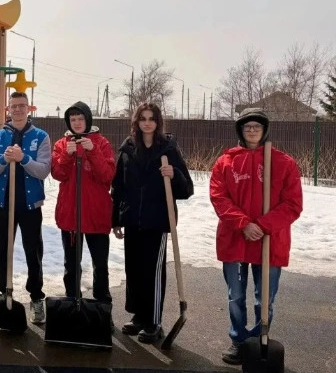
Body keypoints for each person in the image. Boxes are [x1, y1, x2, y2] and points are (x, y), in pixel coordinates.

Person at [210, 108, 302, 365]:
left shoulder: (283, 162)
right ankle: (239, 341)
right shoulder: (225, 162)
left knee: (265, 299)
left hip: (269, 241)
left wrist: (262, 225)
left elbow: (293, 204)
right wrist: (243, 224)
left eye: (256, 126)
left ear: (264, 130)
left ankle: (258, 340)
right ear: (241, 130)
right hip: (236, 239)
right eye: (247, 126)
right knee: (236, 296)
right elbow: (219, 197)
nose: (251, 130)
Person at [111, 102, 194, 343]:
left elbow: (187, 189)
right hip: (132, 220)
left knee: (153, 272)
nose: (147, 123)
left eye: (151, 118)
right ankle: (139, 316)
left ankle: (154, 321)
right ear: (136, 122)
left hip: (157, 221)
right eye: (143, 118)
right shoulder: (128, 149)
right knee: (134, 270)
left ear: (158, 122)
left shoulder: (168, 150)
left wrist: (174, 175)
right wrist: (116, 218)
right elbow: (118, 187)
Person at [0, 92, 51, 324]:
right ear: (8, 109)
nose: (18, 110)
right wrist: (4, 159)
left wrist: (23, 158)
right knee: (3, 251)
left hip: (30, 205)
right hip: (5, 204)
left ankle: (36, 297)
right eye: (13, 106)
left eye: (22, 106)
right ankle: (5, 293)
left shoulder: (40, 136)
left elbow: (43, 170)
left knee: (33, 251)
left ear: (29, 108)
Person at [50, 102, 116, 314]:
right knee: (71, 264)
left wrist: (93, 152)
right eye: (73, 119)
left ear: (88, 120)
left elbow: (107, 176)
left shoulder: (101, 143)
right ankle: (72, 304)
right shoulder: (61, 144)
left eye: (80, 119)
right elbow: (58, 174)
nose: (77, 123)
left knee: (100, 264)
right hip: (70, 214)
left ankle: (102, 308)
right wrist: (66, 156)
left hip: (96, 213)